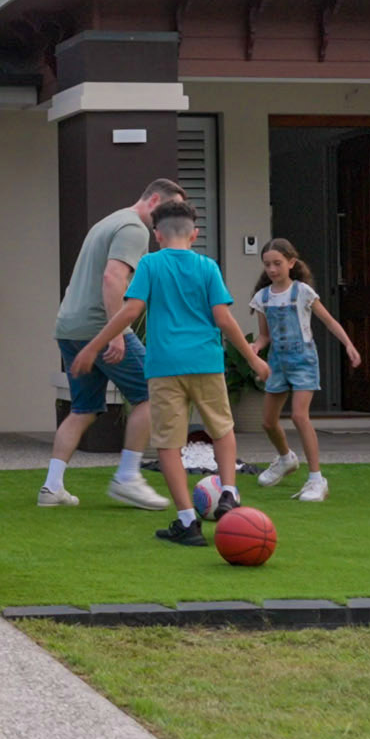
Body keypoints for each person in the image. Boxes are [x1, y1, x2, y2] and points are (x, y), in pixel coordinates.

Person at [73, 200, 270, 546]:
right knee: (222, 430)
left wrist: (93, 346)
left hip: (164, 368)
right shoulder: (208, 266)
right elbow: (223, 319)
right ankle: (228, 493)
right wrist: (253, 360)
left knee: (168, 445)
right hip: (207, 363)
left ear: (156, 234)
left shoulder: (150, 264)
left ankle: (187, 523)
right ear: (194, 234)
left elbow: (129, 311)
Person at [43, 178, 189, 511]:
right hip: (99, 325)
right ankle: (127, 478)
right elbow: (113, 278)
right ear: (153, 200)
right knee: (154, 392)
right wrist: (117, 334)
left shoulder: (108, 221)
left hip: (69, 326)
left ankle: (52, 488)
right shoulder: (133, 228)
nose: (168, 222)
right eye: (166, 211)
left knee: (82, 409)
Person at [249, 238, 361, 502]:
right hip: (277, 363)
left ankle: (316, 478)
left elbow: (329, 321)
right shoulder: (262, 298)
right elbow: (264, 336)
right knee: (267, 422)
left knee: (300, 416)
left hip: (303, 361)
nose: (273, 269)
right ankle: (286, 459)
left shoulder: (302, 292)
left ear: (291, 263)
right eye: (267, 265)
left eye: (278, 263)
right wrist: (255, 347)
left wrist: (348, 344)